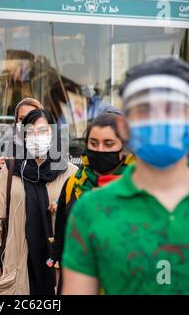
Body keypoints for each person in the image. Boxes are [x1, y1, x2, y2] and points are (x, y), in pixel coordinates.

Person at [61, 57, 189, 295]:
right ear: (125, 128)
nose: (159, 122)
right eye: (145, 112)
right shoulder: (91, 211)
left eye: (172, 110)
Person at [0, 109, 77, 295]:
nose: (36, 137)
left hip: (55, 267)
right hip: (18, 264)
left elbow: (81, 220)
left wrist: (63, 211)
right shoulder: (11, 169)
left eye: (42, 131)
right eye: (30, 132)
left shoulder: (71, 173)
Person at [52, 112, 135, 291]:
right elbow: (61, 240)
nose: (100, 150)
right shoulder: (73, 184)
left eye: (109, 144)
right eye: (93, 143)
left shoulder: (139, 188)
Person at [0, 98, 44, 193]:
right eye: (21, 119)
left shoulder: (50, 148)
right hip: (7, 205)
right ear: (16, 121)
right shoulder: (4, 146)